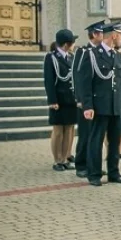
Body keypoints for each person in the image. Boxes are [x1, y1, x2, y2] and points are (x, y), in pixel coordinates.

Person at [75, 22, 121, 187]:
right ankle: (94, 173)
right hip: (99, 106)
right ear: (113, 35)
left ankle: (113, 172)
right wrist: (87, 106)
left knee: (114, 141)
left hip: (115, 106)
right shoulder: (91, 54)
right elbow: (85, 82)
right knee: (96, 140)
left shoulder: (118, 56)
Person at [73, 22, 105, 178]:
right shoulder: (83, 51)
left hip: (98, 101)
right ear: (94, 34)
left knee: (95, 136)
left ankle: (93, 165)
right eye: (101, 33)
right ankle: (81, 164)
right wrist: (80, 99)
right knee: (85, 134)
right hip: (85, 102)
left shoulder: (101, 52)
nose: (103, 35)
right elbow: (78, 76)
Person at [43, 29, 78, 171]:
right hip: (58, 100)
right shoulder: (51, 57)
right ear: (66, 44)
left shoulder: (70, 57)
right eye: (72, 43)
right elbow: (49, 80)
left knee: (69, 129)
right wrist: (52, 100)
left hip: (71, 99)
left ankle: (65, 158)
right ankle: (57, 160)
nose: (74, 45)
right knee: (58, 130)